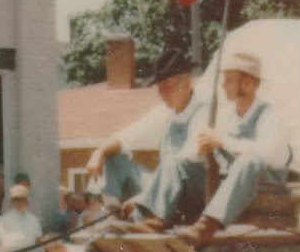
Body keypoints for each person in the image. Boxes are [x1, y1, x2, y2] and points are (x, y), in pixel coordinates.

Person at [86, 46, 210, 225]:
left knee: (173, 162)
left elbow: (190, 156)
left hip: (194, 196)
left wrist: (143, 197)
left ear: (187, 82)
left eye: (167, 87)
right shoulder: (166, 113)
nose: (162, 94)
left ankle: (153, 219)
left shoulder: (203, 113)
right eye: (159, 89)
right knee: (113, 156)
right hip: (163, 190)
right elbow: (129, 135)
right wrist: (99, 151)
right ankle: (112, 216)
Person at [182, 49, 291, 246]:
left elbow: (271, 156)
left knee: (249, 161)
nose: (223, 86)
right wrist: (202, 149)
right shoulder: (226, 115)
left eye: (229, 80)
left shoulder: (271, 115)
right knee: (181, 163)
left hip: (267, 187)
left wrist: (223, 141)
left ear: (248, 84)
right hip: (232, 186)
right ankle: (152, 218)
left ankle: (208, 225)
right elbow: (198, 151)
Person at [0, 182, 43, 250]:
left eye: (22, 200)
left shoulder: (34, 219)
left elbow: (38, 240)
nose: (20, 203)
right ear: (12, 202)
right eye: (16, 200)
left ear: (27, 201)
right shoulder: (2, 220)